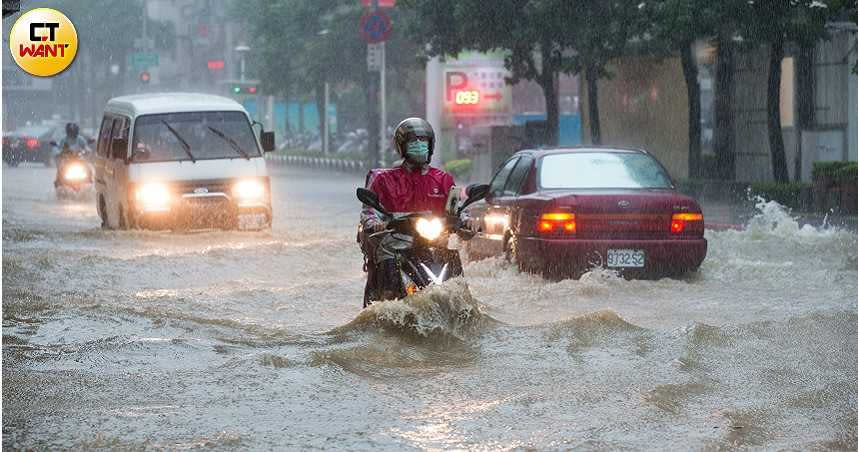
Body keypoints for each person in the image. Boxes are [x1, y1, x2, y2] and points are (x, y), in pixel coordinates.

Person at [359, 117, 456, 303]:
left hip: (434, 245)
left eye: (423, 141)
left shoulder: (444, 180)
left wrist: (467, 221)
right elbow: (369, 212)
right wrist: (376, 224)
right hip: (395, 244)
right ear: (402, 146)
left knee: (456, 291)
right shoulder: (384, 180)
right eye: (413, 141)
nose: (419, 145)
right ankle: (385, 306)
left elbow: (455, 210)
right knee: (389, 289)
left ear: (431, 145)